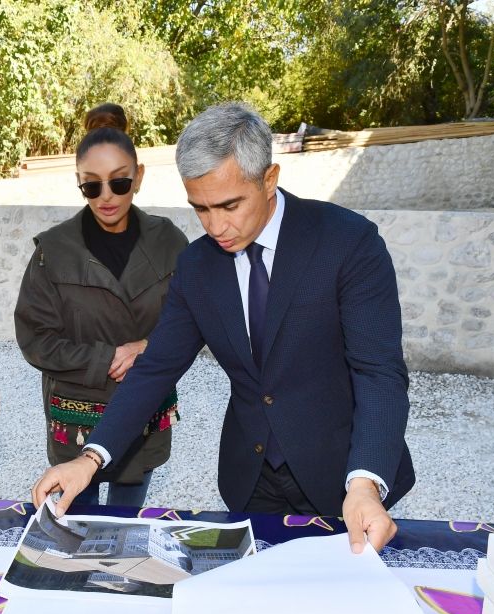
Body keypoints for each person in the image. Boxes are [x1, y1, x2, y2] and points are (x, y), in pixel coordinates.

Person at [32, 102, 415, 552]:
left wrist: (367, 482)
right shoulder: (197, 266)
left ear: (268, 179)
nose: (215, 226)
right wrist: (91, 458)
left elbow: (379, 373)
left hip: (344, 480)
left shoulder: (348, 243)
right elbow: (156, 368)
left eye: (229, 205)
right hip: (250, 480)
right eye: (201, 209)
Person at [14, 103, 188, 507]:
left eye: (119, 183)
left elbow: (191, 319)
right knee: (77, 523)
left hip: (144, 407)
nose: (106, 197)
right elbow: (34, 338)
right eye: (91, 186)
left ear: (138, 177)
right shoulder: (52, 251)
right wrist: (108, 357)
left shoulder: (169, 243)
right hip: (77, 413)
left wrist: (146, 348)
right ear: (79, 182)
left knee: (127, 521)